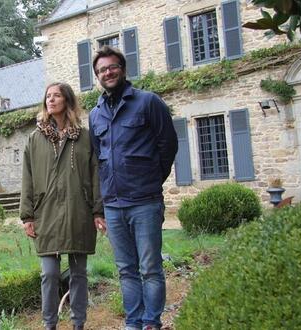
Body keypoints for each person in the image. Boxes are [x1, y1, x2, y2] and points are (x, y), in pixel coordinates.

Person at [88, 46, 178, 330]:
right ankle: (133, 322)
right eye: (102, 70)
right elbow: (97, 160)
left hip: (145, 201)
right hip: (113, 205)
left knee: (150, 268)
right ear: (97, 76)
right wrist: (100, 207)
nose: (108, 72)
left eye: (112, 67)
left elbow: (168, 146)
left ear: (123, 69)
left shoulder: (148, 102)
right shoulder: (95, 114)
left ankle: (151, 322)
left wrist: (151, 179)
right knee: (126, 270)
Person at [20, 82, 106, 330]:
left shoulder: (84, 137)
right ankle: (50, 324)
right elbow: (27, 177)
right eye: (48, 96)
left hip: (78, 211)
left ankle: (78, 323)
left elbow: (95, 173)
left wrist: (97, 210)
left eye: (56, 95)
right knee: (49, 274)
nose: (51, 99)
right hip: (45, 213)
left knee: (79, 274)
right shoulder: (34, 139)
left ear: (67, 101)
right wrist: (27, 216)